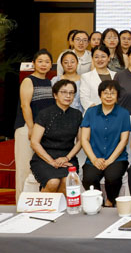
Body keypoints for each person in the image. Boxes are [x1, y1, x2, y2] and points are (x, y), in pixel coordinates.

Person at [80, 80, 131, 205]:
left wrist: (110, 160)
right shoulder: (90, 112)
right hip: (94, 157)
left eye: (112, 93)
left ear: (117, 96)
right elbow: (84, 139)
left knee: (113, 178)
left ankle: (110, 202)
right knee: (89, 178)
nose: (109, 96)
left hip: (117, 158)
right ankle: (98, 202)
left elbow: (124, 140)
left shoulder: (124, 113)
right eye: (105, 93)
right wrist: (94, 159)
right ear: (100, 95)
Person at [14, 50, 55, 200]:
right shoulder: (28, 81)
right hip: (27, 128)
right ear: (33, 63)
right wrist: (31, 128)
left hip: (42, 130)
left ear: (51, 65)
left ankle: (34, 202)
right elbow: (25, 106)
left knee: (38, 170)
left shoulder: (50, 83)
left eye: (47, 62)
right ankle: (21, 204)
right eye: (40, 61)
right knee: (24, 169)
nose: (44, 64)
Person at [29, 79, 83, 192]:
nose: (68, 96)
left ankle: (62, 204)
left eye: (71, 93)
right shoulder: (44, 114)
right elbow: (34, 142)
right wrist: (51, 161)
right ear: (55, 95)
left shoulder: (77, 115)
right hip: (44, 158)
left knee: (67, 181)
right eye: (63, 92)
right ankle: (43, 203)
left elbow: (80, 141)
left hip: (67, 157)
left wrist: (67, 158)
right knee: (53, 182)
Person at [80, 45, 117, 111]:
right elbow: (84, 99)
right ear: (92, 59)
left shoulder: (116, 75)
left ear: (108, 58)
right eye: (96, 57)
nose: (100, 60)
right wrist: (100, 112)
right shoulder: (86, 77)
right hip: (94, 113)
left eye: (103, 56)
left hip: (114, 112)